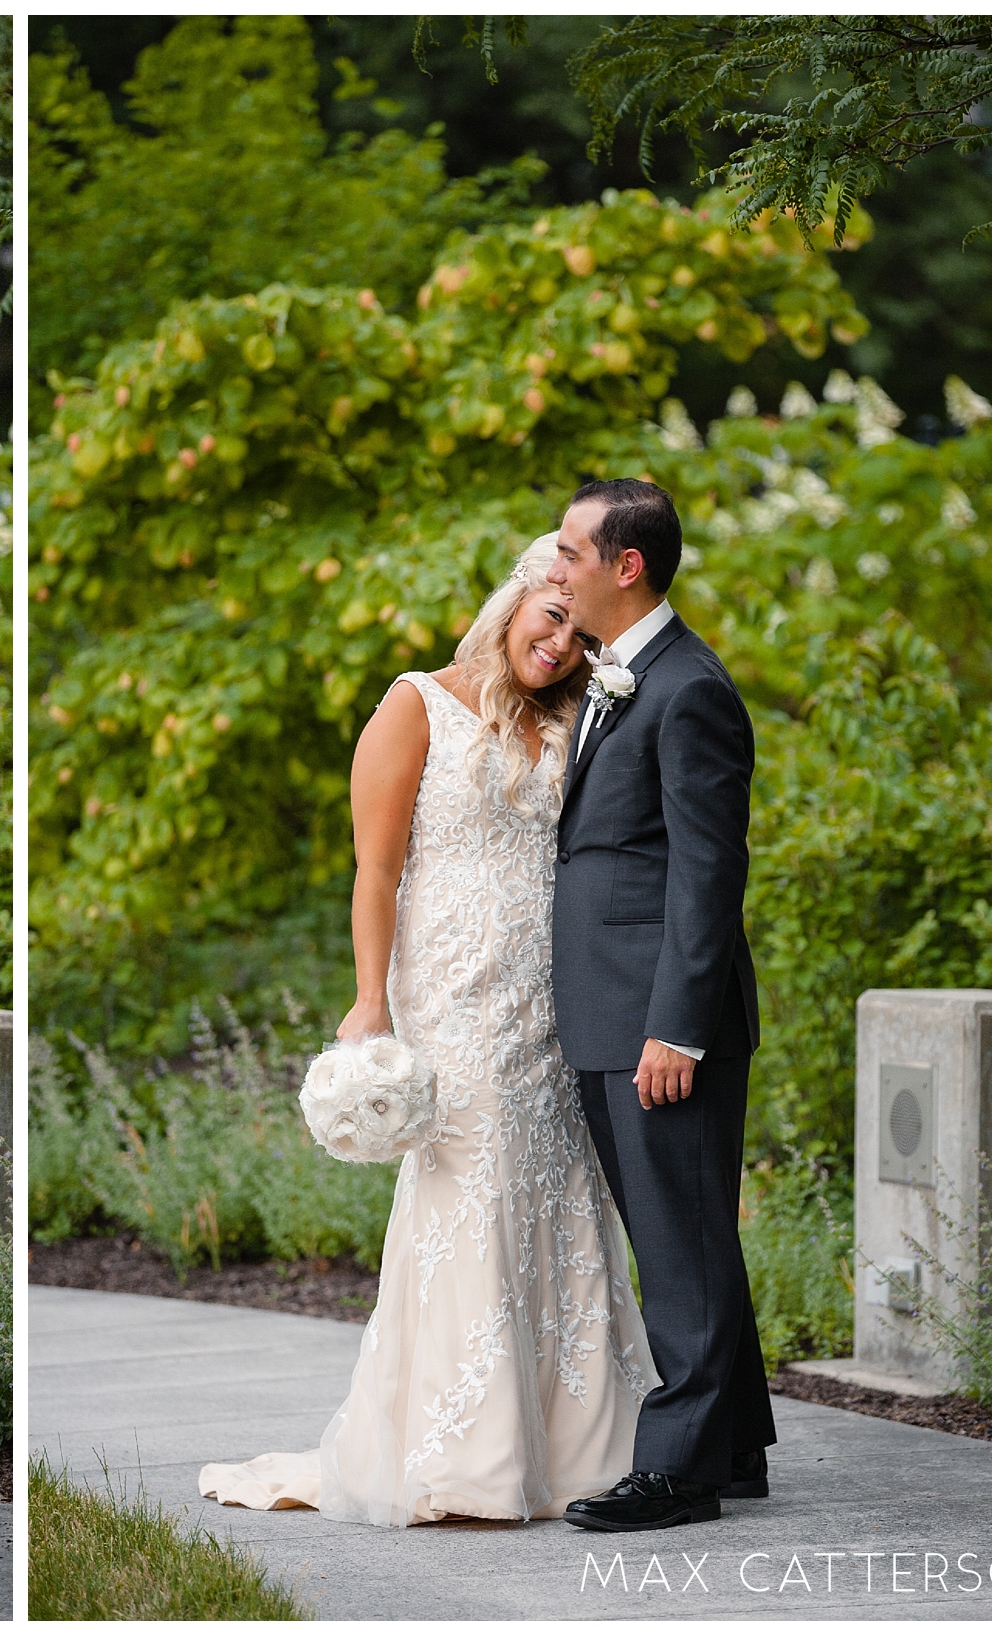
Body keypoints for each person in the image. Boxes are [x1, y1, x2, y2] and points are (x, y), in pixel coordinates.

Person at [199, 536, 653, 1526]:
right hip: (452, 994)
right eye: (551, 618)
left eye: (582, 634)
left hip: (553, 996)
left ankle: (579, 1450)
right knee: (473, 1191)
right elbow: (375, 870)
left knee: (563, 1194)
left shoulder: (581, 715)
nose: (561, 644)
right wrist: (368, 1000)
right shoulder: (415, 702)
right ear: (518, 598)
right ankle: (461, 1453)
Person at [544, 479, 774, 1533]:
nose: (554, 569)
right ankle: (729, 1445)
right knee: (676, 1235)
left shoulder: (687, 688)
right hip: (611, 1011)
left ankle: (676, 1472)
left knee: (680, 1242)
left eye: (567, 552)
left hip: (659, 1025)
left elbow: (706, 873)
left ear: (622, 564)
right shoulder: (614, 678)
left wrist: (674, 1025)